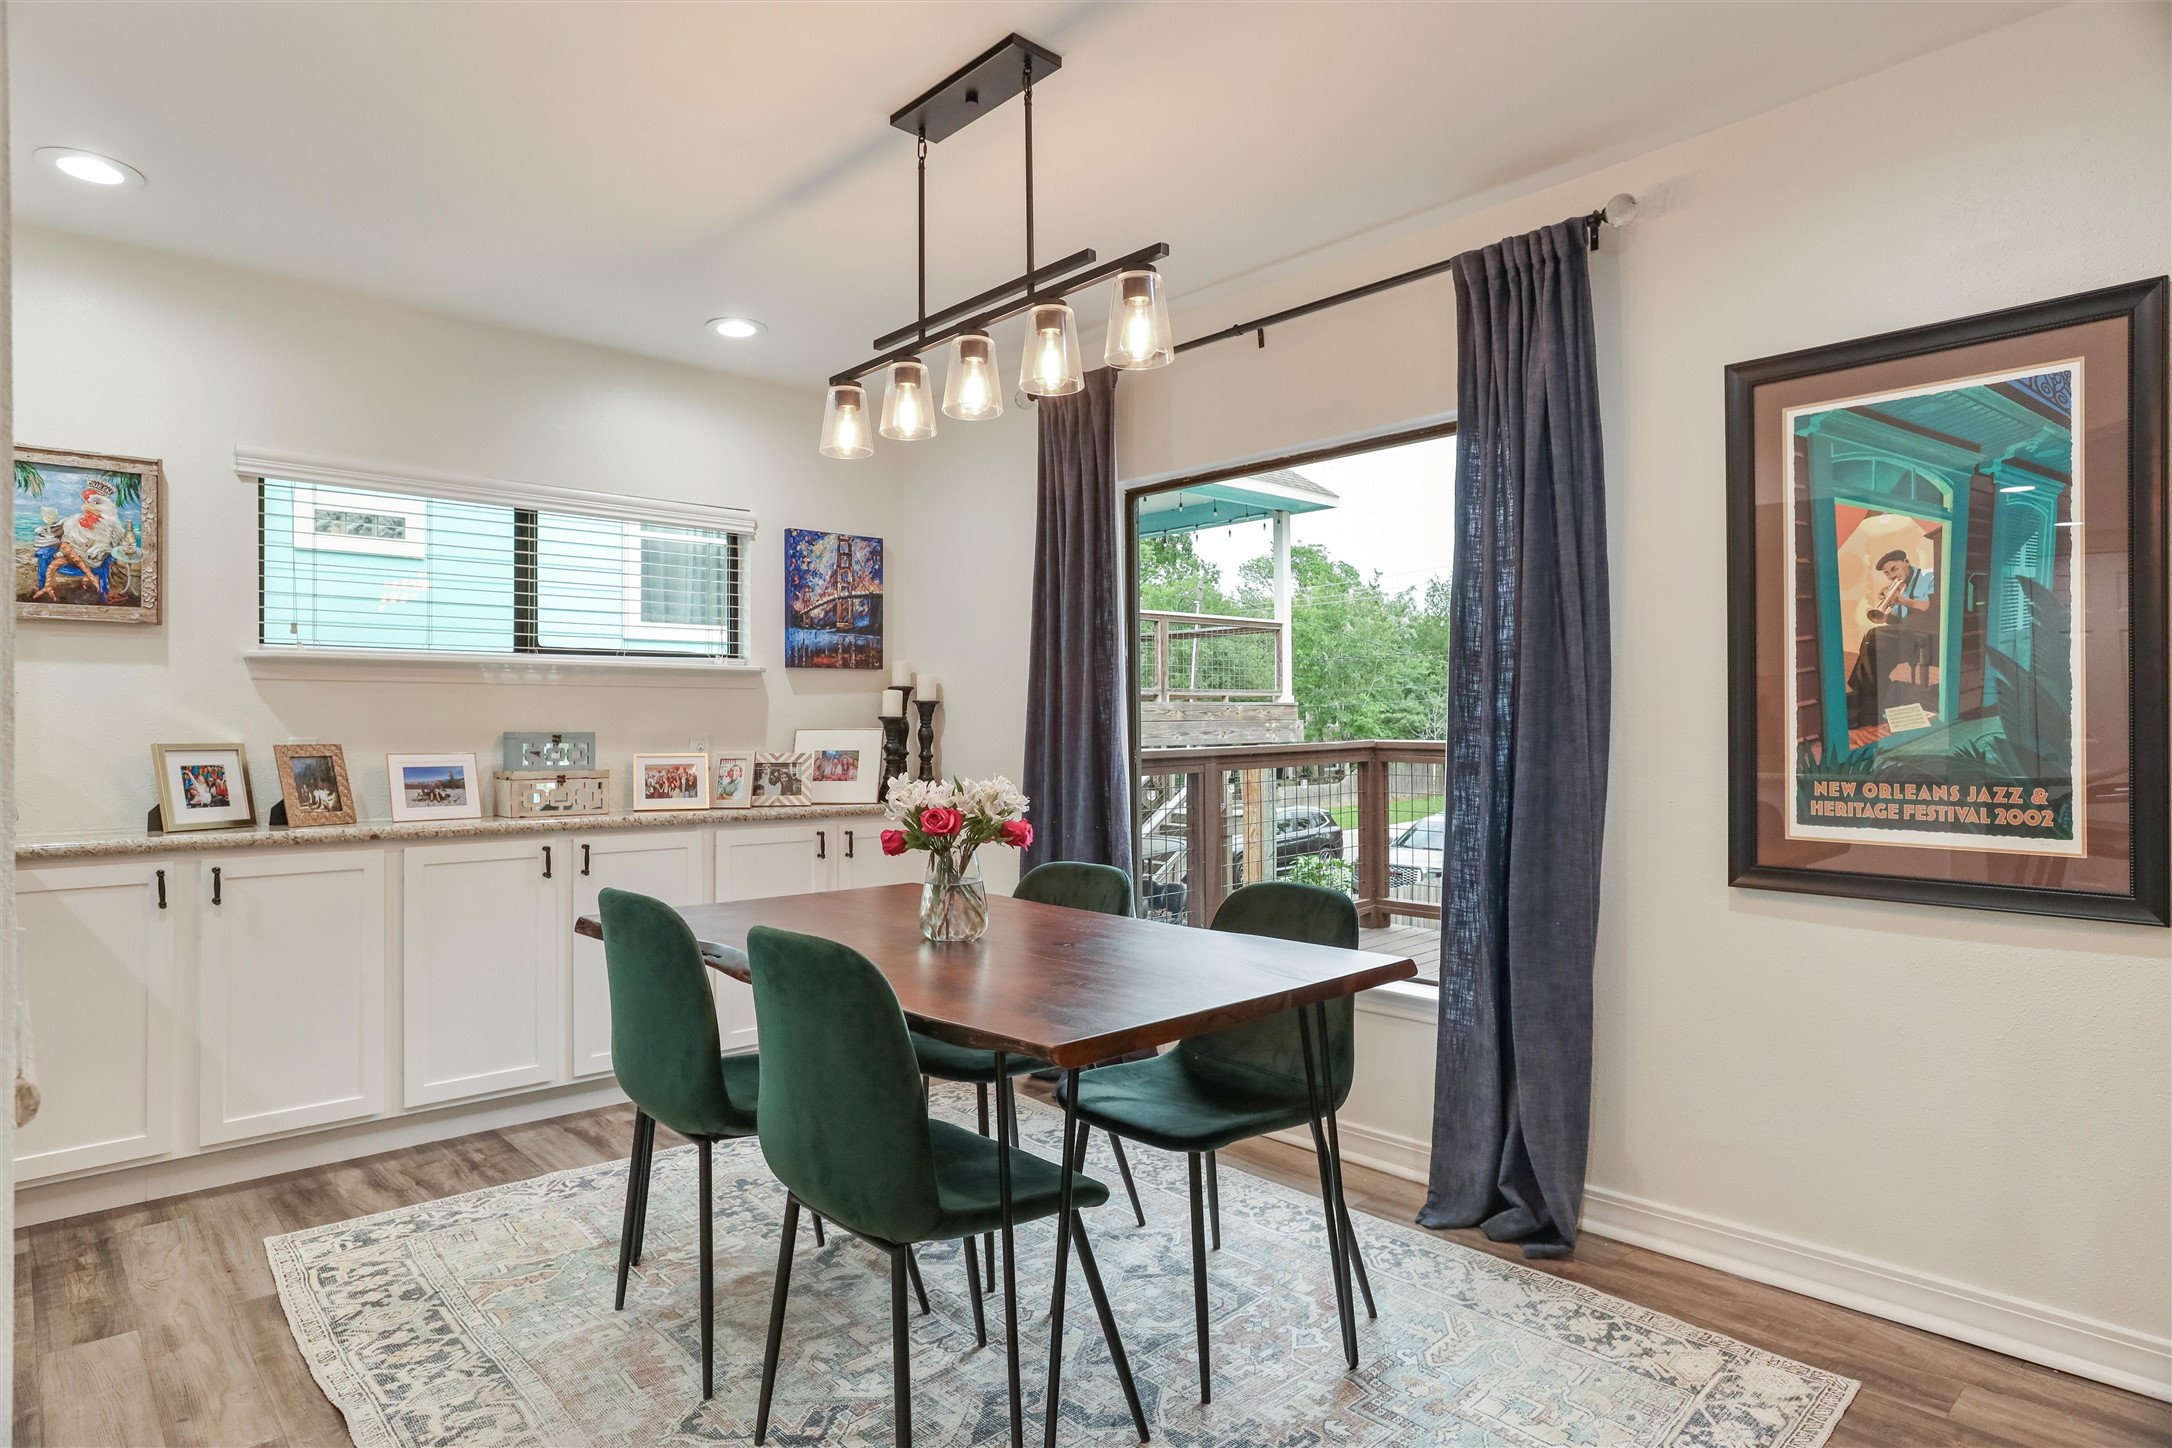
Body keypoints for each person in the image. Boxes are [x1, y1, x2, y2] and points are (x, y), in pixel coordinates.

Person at [1847, 549, 1937, 729]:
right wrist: (1887, 605)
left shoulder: (1929, 576)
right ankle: (1861, 701)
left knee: (1875, 637)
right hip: (1909, 635)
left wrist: (1902, 601)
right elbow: (1897, 621)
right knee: (1871, 637)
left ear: (1906, 561)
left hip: (1930, 636)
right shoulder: (1898, 587)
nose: (1892, 575)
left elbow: (1931, 606)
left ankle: (1864, 707)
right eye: (1887, 573)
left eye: (1894, 569)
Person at [32, 482, 133, 604]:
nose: (89, 506)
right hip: (72, 556)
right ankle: (50, 586)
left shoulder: (111, 526)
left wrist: (103, 549)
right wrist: (47, 529)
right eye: (88, 502)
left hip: (94, 559)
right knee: (58, 558)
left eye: (95, 503)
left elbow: (116, 546)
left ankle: (90, 577)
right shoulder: (73, 521)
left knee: (64, 547)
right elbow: (57, 530)